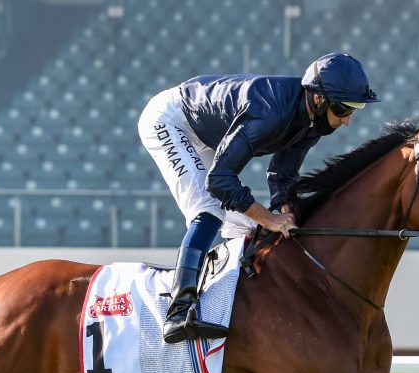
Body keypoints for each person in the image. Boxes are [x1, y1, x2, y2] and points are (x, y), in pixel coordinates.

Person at [137, 52, 379, 344]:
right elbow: (220, 180)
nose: (347, 120)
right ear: (318, 98)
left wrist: (286, 211)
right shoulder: (270, 113)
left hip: (204, 130)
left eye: (355, 109)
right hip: (171, 120)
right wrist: (269, 218)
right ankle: (178, 312)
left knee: (245, 227)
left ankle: (230, 305)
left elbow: (281, 174)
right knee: (209, 210)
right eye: (343, 108)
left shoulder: (312, 122)